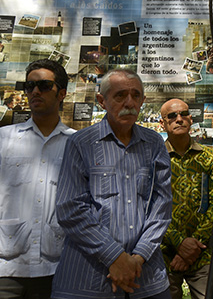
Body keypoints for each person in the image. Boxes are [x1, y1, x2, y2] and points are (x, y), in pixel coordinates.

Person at [52, 69, 172, 299]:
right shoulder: (81, 143)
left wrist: (137, 258)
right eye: (120, 96)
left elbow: (162, 206)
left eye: (136, 96)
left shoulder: (154, 143)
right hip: (86, 279)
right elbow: (70, 208)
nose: (129, 103)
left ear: (143, 101)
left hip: (146, 278)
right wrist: (114, 257)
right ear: (101, 101)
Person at [0, 59, 75, 298]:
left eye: (43, 85)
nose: (34, 91)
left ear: (61, 93)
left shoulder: (76, 144)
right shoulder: (4, 139)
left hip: (58, 268)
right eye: (29, 85)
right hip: (7, 268)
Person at [159, 99, 213, 299]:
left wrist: (192, 248)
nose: (179, 119)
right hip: (163, 253)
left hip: (202, 252)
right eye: (172, 116)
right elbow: (149, 207)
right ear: (163, 123)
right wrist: (179, 243)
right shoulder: (154, 157)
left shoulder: (210, 158)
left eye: (183, 114)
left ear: (190, 119)